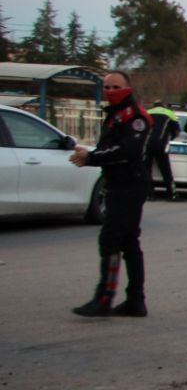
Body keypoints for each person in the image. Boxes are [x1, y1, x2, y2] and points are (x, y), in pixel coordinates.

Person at [70, 71, 151, 317]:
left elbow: (127, 151)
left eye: (116, 86)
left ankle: (104, 298)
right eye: (107, 87)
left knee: (111, 240)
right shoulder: (116, 115)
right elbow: (110, 147)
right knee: (128, 243)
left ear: (128, 87)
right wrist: (91, 154)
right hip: (118, 184)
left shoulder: (134, 116)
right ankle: (135, 301)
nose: (111, 91)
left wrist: (91, 157)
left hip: (129, 185)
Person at [144, 99, 179, 200]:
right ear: (163, 106)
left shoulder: (147, 113)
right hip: (161, 145)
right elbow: (176, 131)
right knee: (165, 170)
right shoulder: (170, 113)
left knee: (146, 169)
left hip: (147, 144)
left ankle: (149, 194)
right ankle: (172, 194)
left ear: (154, 106)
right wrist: (170, 138)